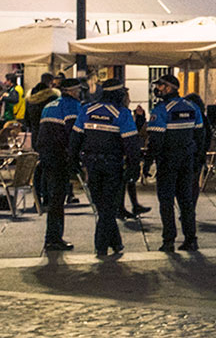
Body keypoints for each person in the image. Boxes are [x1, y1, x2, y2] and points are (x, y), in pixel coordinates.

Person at [73, 81, 135, 259]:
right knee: (108, 207)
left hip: (91, 165)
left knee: (102, 205)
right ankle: (101, 246)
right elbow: (131, 143)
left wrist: (73, 160)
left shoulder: (87, 110)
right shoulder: (122, 114)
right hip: (113, 165)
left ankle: (116, 242)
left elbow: (76, 137)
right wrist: (133, 166)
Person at [148, 75, 206, 252]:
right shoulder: (193, 107)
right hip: (187, 160)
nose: (157, 89)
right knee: (186, 201)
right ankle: (191, 238)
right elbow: (200, 136)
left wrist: (148, 162)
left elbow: (155, 140)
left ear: (169, 87)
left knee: (166, 202)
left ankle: (168, 240)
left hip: (167, 161)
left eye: (160, 86)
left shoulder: (161, 110)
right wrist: (198, 159)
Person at [36, 78, 82, 252]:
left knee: (53, 197)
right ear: (71, 91)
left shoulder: (49, 106)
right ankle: (54, 238)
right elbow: (73, 134)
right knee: (58, 199)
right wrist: (75, 158)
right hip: (60, 157)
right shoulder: (71, 106)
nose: (79, 93)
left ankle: (53, 237)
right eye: (78, 90)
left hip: (47, 156)